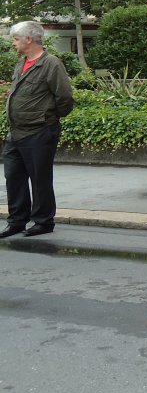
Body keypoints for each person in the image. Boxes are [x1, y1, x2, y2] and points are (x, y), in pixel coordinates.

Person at [2, 21, 74, 238]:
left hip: (39, 131)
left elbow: (65, 97)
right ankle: (16, 221)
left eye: (15, 39)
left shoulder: (51, 64)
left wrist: (49, 118)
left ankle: (43, 221)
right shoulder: (20, 64)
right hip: (15, 132)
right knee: (14, 178)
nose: (13, 43)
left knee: (40, 179)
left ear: (28, 39)